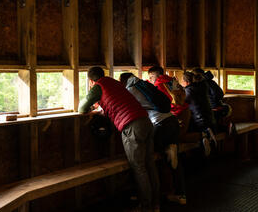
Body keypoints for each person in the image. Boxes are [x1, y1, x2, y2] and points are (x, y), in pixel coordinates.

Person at [78, 67, 160, 212]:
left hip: (132, 126)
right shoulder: (114, 82)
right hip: (145, 121)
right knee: (149, 165)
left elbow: (82, 108)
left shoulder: (98, 87)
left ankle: (146, 207)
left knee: (139, 168)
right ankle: (155, 204)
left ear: (91, 81)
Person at [120, 73, 187, 205]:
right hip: (172, 120)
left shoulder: (130, 90)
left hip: (159, 124)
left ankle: (140, 194)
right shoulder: (144, 85)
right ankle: (180, 194)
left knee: (144, 158)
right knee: (174, 160)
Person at [148, 66, 194, 143]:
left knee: (178, 137)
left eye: (151, 77)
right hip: (184, 110)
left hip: (179, 112)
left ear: (157, 75)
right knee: (176, 137)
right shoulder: (172, 80)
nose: (150, 79)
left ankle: (204, 135)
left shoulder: (158, 85)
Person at [183, 71, 217, 156]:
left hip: (199, 123)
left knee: (182, 135)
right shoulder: (203, 86)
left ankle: (204, 135)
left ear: (185, 82)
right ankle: (205, 135)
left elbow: (181, 103)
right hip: (210, 120)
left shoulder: (188, 90)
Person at [192, 68, 235, 135]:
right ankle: (225, 128)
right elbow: (221, 94)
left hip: (214, 108)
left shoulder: (200, 85)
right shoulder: (211, 82)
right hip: (218, 106)